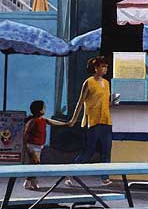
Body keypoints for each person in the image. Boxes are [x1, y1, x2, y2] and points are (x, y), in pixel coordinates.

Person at [66, 56, 114, 186]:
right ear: (96, 68)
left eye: (106, 66)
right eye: (103, 66)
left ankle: (105, 177)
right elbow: (80, 102)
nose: (105, 69)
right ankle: (70, 173)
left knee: (106, 150)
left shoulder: (107, 83)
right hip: (92, 121)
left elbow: (105, 102)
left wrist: (112, 102)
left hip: (106, 120)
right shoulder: (89, 82)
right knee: (88, 151)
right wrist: (73, 119)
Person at [23, 100, 67, 190]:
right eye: (44, 108)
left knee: (34, 164)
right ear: (39, 110)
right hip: (32, 145)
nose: (45, 109)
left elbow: (53, 122)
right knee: (36, 163)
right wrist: (26, 147)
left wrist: (66, 124)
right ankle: (32, 182)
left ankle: (28, 181)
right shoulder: (32, 121)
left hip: (39, 145)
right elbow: (25, 134)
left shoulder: (43, 120)